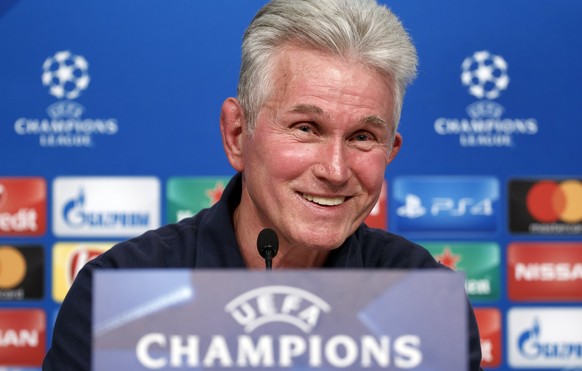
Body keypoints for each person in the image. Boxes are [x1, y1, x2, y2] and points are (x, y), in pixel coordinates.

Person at [44, 0, 483, 369]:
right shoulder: (120, 294)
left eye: (362, 137)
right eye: (306, 128)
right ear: (237, 134)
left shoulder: (423, 299)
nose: (335, 169)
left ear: (391, 151)